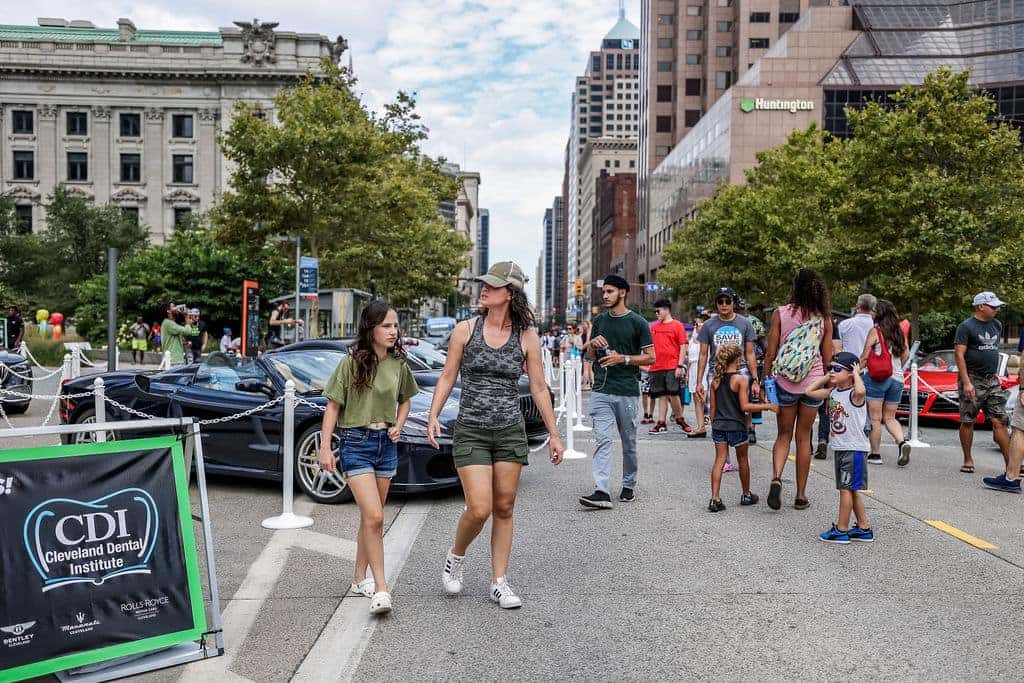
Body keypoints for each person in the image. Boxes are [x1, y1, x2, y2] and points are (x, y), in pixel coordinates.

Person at [426, 261, 563, 610]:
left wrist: (554, 434)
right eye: (484, 284)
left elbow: (538, 388)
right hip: (471, 427)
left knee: (504, 506)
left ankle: (498, 582)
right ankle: (456, 556)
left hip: (508, 431)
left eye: (493, 285)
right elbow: (446, 377)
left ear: (510, 294)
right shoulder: (465, 330)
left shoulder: (526, 336)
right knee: (480, 507)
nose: (484, 289)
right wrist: (433, 416)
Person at [319, 301, 419, 616]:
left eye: (395, 326)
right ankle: (381, 588)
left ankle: (358, 577)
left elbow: (406, 400)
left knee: (370, 519)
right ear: (371, 329)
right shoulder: (350, 363)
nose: (393, 331)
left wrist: (400, 426)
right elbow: (332, 407)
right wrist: (324, 448)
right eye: (387, 326)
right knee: (375, 518)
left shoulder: (398, 363)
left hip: (386, 444)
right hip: (355, 443)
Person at [579, 274, 654, 509]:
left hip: (628, 390)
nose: (605, 295)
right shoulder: (600, 321)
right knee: (602, 439)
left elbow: (651, 357)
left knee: (629, 443)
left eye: (610, 291)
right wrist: (593, 345)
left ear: (622, 292)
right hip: (601, 390)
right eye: (604, 292)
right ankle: (601, 490)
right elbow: (590, 357)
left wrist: (623, 358)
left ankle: (629, 484)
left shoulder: (638, 323)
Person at [763, 268, 833, 511]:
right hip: (812, 384)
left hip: (785, 382)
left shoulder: (780, 313)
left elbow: (771, 351)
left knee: (784, 435)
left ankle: (776, 477)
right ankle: (801, 495)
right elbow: (827, 358)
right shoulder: (824, 318)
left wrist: (764, 379)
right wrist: (828, 386)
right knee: (804, 438)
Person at [803, 352, 875, 543]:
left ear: (850, 372)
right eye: (829, 368)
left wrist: (857, 374)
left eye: (836, 369)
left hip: (854, 449)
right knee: (851, 489)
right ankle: (863, 527)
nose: (831, 372)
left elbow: (861, 392)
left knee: (846, 489)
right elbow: (809, 391)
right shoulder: (834, 392)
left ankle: (842, 530)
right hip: (841, 447)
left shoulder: (854, 394)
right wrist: (828, 376)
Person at [707, 343, 778, 512]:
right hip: (736, 425)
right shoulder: (740, 379)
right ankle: (746, 494)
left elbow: (712, 408)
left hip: (719, 425)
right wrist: (767, 406)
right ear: (738, 359)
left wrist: (713, 423)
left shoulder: (715, 380)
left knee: (719, 460)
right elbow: (745, 406)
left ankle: (715, 498)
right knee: (743, 460)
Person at [695, 287, 760, 466]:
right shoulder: (709, 325)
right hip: (717, 372)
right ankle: (724, 457)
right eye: (720, 301)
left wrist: (755, 379)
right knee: (715, 412)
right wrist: (699, 381)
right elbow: (703, 354)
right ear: (716, 304)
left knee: (744, 409)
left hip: (741, 371)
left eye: (727, 301)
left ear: (733, 302)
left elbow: (750, 353)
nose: (724, 305)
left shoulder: (744, 323)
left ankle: (742, 449)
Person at [954, 291, 1010, 474]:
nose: (997, 309)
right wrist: (966, 382)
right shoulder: (966, 327)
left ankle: (1011, 462)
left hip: (992, 379)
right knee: (968, 420)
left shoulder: (997, 325)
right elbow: (959, 355)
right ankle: (968, 458)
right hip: (972, 378)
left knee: (999, 419)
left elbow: (992, 349)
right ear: (981, 307)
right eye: (993, 306)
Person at [859, 300, 911, 466]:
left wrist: (856, 372)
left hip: (877, 378)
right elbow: (906, 355)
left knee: (875, 418)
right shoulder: (900, 332)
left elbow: (865, 356)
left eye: (874, 310)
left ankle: (875, 454)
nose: (872, 313)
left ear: (880, 313)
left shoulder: (876, 331)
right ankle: (902, 442)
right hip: (897, 379)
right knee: (890, 417)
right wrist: (897, 368)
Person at [647, 298, 691, 434]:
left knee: (673, 394)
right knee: (661, 395)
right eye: (655, 311)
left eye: (658, 311)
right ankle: (661, 423)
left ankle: (680, 418)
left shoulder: (677, 325)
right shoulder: (653, 327)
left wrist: (680, 365)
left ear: (666, 309)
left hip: (672, 365)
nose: (656, 313)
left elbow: (683, 345)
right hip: (656, 366)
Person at [685, 314, 709, 436]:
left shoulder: (707, 339)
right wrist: (688, 374)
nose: (696, 326)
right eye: (695, 324)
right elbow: (689, 359)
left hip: (704, 369)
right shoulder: (692, 340)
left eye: (698, 323)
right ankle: (701, 427)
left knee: (703, 398)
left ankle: (712, 422)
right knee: (696, 399)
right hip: (693, 369)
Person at [578, 320, 594, 389]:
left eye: (584, 324)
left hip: (587, 351)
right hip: (589, 351)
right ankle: (592, 383)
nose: (583, 326)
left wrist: (581, 348)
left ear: (588, 324)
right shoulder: (585, 332)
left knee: (586, 369)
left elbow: (588, 342)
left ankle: (585, 384)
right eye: (582, 324)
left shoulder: (589, 331)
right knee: (590, 369)